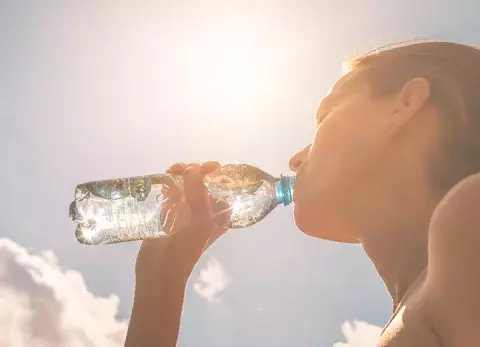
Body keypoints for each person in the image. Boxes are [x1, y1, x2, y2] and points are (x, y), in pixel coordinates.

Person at [124, 41, 480, 347]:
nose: (295, 159)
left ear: (404, 105)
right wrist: (162, 280)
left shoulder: (469, 217)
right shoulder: (424, 308)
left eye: (323, 118)